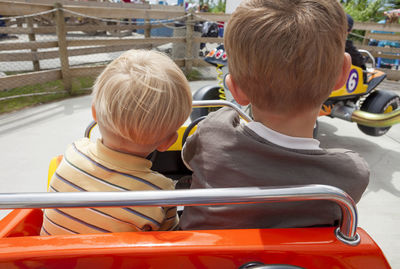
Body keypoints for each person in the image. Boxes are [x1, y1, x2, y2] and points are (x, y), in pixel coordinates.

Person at [179, 0, 370, 230]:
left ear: (235, 89)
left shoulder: (213, 131)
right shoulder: (350, 173)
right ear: (342, 74)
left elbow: (187, 161)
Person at [41, 49, 192, 235]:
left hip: (49, 261)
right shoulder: (159, 192)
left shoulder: (73, 152)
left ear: (94, 113)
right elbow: (172, 243)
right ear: (167, 142)